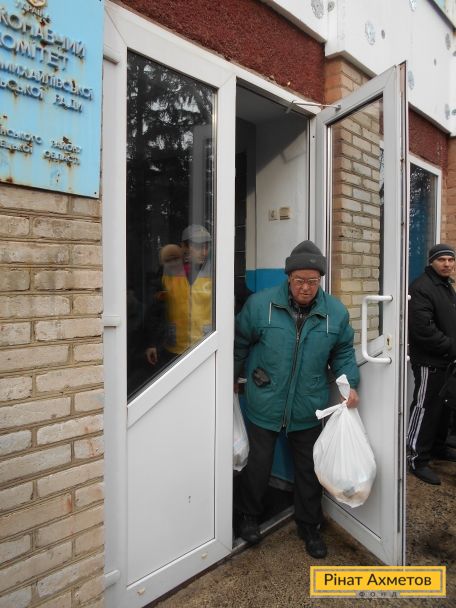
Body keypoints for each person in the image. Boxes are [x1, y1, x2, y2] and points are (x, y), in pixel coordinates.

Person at [233, 240, 360, 559]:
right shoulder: (261, 305)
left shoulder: (335, 313)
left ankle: (309, 525)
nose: (305, 287)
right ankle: (249, 516)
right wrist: (232, 378)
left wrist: (349, 384)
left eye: (312, 281)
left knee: (308, 469)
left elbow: (343, 352)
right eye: (299, 280)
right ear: (288, 277)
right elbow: (239, 343)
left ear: (320, 280)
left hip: (308, 404)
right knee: (258, 464)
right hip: (265, 398)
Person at [407, 243, 456, 485]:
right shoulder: (422, 288)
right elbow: (423, 331)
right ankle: (416, 458)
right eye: (441, 260)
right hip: (430, 362)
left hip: (447, 360)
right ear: (431, 262)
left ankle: (438, 447)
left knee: (443, 408)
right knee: (425, 408)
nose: (447, 264)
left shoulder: (446, 286)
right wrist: (452, 346)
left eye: (450, 260)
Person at [145, 224, 213, 372]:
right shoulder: (167, 271)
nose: (203, 252)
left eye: (206, 247)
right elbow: (154, 309)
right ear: (184, 247)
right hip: (173, 348)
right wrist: (152, 343)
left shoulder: (216, 272)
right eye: (197, 247)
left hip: (206, 345)